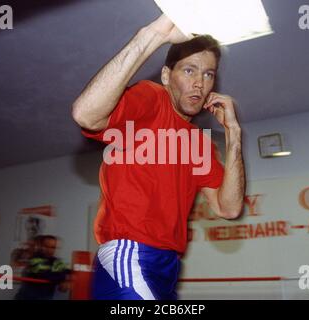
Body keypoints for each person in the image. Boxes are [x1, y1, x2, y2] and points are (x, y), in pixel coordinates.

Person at [72, 14, 245, 300]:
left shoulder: (199, 145)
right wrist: (155, 32)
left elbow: (229, 208)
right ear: (166, 76)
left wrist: (234, 134)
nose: (200, 84)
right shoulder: (152, 99)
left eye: (208, 74)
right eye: (189, 71)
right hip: (128, 255)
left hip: (169, 267)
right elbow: (85, 113)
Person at [14, 235, 69, 300]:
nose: (50, 250)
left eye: (53, 247)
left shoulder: (56, 261)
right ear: (40, 246)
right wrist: (63, 279)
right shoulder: (34, 260)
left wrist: (65, 279)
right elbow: (47, 275)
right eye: (46, 246)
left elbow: (65, 271)